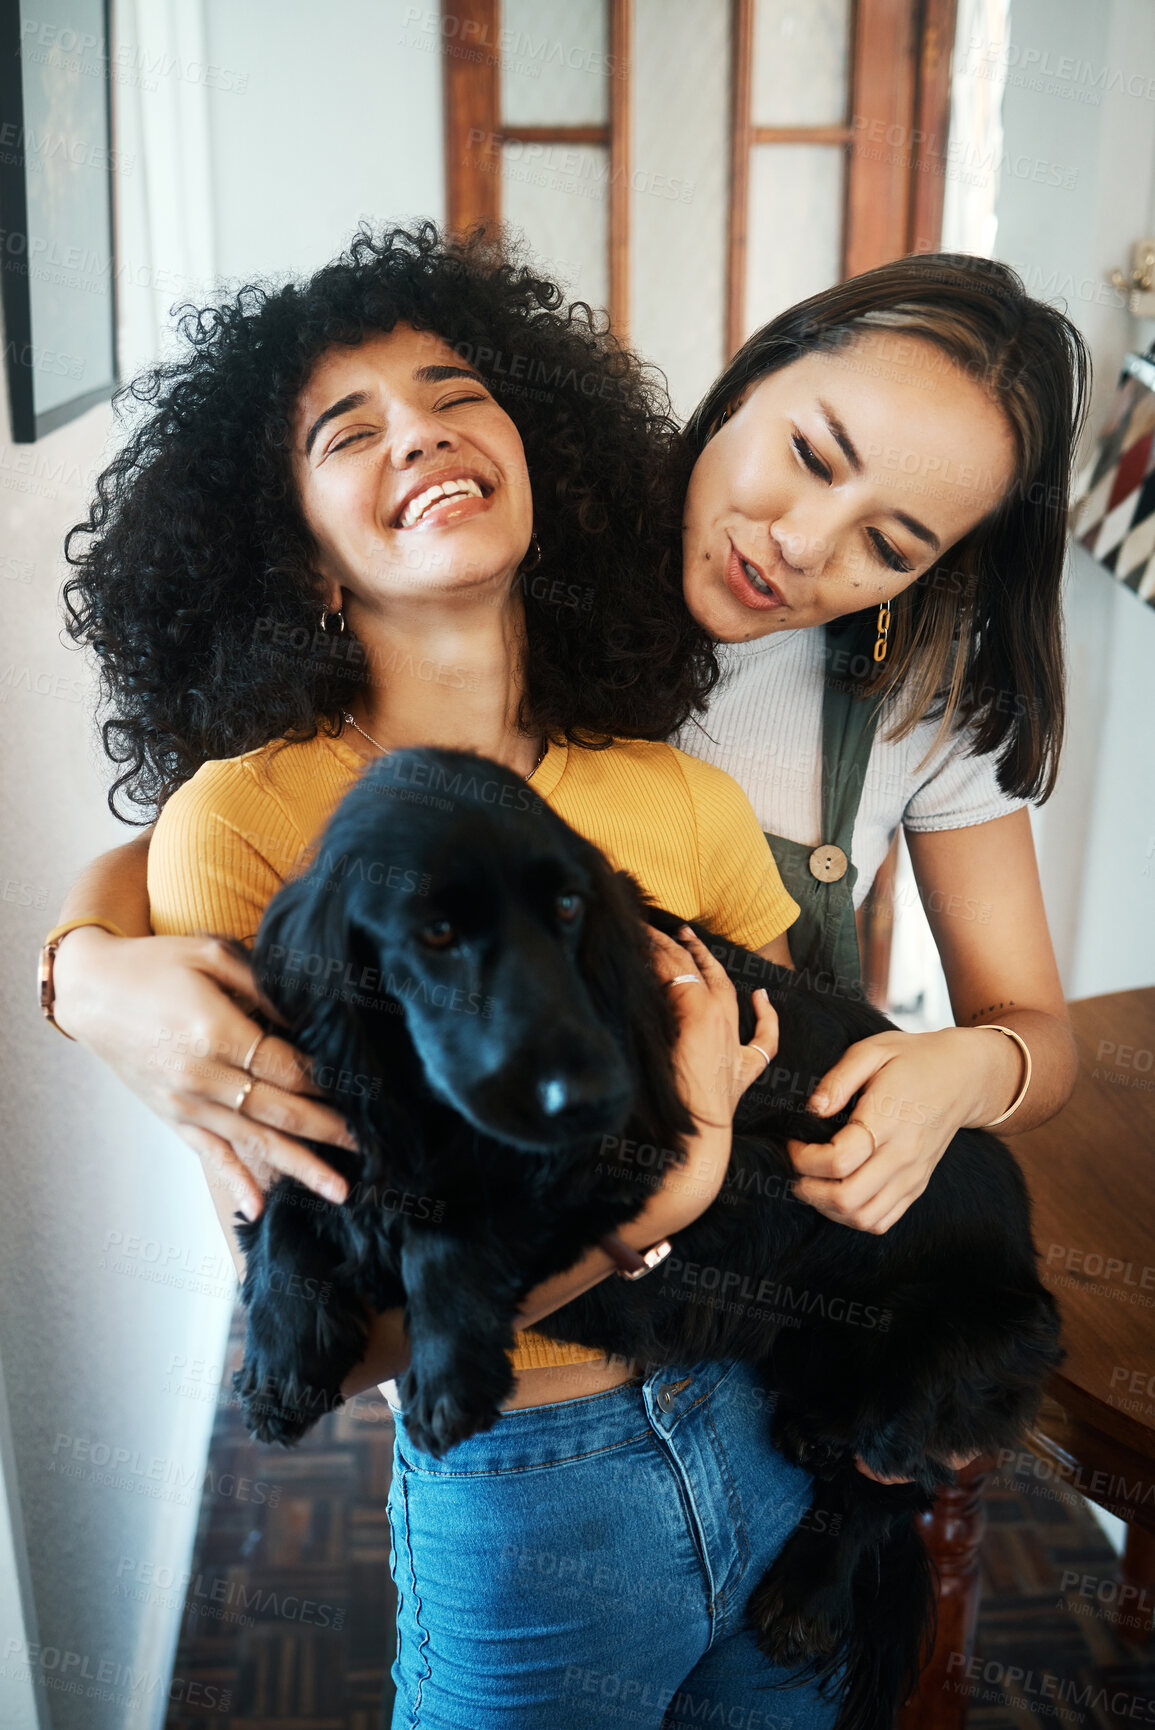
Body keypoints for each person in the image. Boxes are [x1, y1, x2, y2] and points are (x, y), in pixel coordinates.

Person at [44, 224, 849, 1728]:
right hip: (530, 1486)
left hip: (768, 1425)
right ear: (295, 550)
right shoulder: (250, 820)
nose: (420, 431)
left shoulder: (682, 799)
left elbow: (789, 1103)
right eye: (349, 429)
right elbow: (334, 1346)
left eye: (453, 392)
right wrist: (652, 1213)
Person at [673, 252, 1087, 1235]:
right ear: (757, 372)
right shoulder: (514, 557)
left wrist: (964, 1072)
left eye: (891, 547)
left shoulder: (918, 697)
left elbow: (1038, 1036)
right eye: (813, 456)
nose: (806, 544)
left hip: (760, 1300)